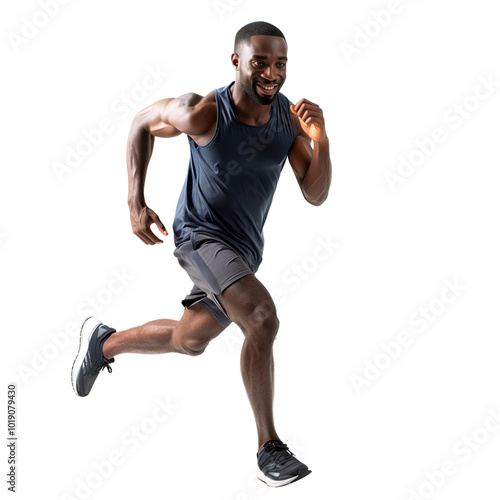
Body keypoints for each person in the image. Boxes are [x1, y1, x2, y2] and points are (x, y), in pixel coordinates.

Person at [71, 20, 331, 487]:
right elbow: (140, 124)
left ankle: (103, 343)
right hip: (200, 237)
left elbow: (315, 194)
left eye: (280, 64)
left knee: (189, 341)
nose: (272, 73)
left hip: (244, 252)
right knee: (261, 317)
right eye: (260, 63)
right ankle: (269, 448)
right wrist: (135, 201)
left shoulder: (287, 119)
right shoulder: (204, 112)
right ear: (236, 61)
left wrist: (321, 140)